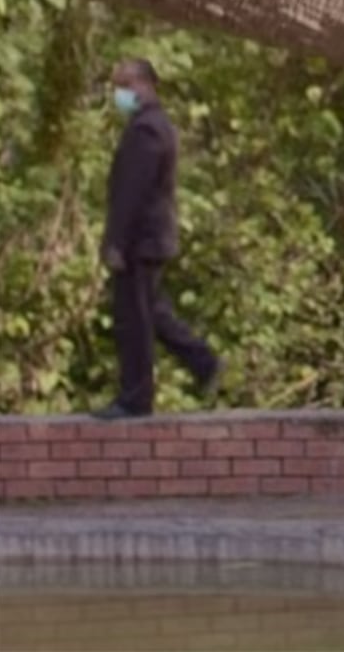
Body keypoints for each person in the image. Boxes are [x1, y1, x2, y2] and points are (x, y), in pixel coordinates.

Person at [91, 58, 222, 420]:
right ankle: (204, 362)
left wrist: (116, 242)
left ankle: (135, 398)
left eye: (124, 84)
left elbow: (132, 192)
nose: (120, 93)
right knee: (152, 311)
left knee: (133, 319)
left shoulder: (147, 129)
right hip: (148, 239)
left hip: (141, 241)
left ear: (145, 84)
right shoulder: (151, 125)